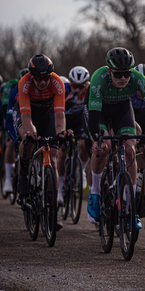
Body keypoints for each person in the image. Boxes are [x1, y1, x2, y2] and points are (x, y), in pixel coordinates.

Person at [83, 47, 145, 229]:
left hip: (122, 109)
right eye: (118, 74)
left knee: (130, 149)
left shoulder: (137, 78)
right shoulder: (98, 79)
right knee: (103, 146)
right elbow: (94, 119)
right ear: (109, 71)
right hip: (100, 110)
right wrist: (97, 138)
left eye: (127, 74)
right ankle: (95, 193)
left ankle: (130, 207)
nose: (123, 78)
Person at [17, 54, 67, 230]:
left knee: (52, 157)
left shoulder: (57, 83)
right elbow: (26, 116)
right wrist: (31, 133)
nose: (43, 82)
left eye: (46, 77)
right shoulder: (24, 83)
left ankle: (53, 208)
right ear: (32, 76)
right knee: (28, 140)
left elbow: (60, 116)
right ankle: (23, 176)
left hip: (48, 116)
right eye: (38, 78)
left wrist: (60, 134)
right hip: (28, 115)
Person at [57, 66, 90, 205]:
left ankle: (80, 170)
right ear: (70, 83)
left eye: (80, 86)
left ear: (86, 84)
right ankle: (59, 188)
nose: (77, 89)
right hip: (65, 119)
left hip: (81, 120)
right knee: (63, 152)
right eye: (74, 86)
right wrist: (67, 101)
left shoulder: (89, 90)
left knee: (83, 144)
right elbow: (56, 110)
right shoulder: (64, 89)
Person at [1, 69, 28, 195]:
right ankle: (7, 179)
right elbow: (8, 117)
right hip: (15, 117)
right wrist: (14, 136)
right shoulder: (14, 90)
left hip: (30, 118)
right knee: (11, 144)